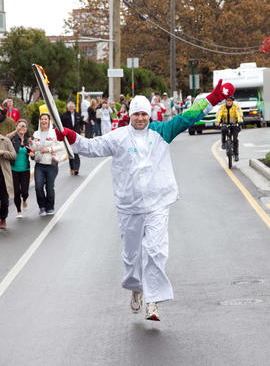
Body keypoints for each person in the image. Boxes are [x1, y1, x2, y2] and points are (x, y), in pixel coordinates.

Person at [55, 79, 234, 321]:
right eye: (136, 114)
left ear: (149, 115)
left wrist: (213, 98)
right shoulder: (118, 137)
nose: (140, 118)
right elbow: (90, 147)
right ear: (130, 115)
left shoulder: (161, 132)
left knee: (156, 252)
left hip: (158, 203)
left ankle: (153, 302)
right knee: (131, 257)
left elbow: (187, 118)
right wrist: (70, 136)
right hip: (129, 207)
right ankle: (137, 288)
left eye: (144, 114)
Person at [31, 113, 65, 216]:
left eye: (45, 119)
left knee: (49, 188)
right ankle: (42, 207)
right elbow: (35, 148)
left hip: (51, 164)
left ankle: (50, 207)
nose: (43, 121)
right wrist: (32, 146)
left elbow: (61, 146)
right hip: (39, 164)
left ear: (49, 121)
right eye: (42, 119)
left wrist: (49, 149)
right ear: (40, 121)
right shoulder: (36, 133)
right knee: (38, 187)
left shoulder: (55, 133)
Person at [7, 119, 34, 218]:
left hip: (25, 170)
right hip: (14, 169)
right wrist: (16, 130)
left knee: (25, 192)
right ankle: (19, 210)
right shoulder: (12, 139)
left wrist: (32, 155)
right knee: (16, 192)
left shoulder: (28, 141)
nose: (22, 128)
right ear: (17, 127)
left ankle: (25, 200)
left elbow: (33, 155)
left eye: (24, 126)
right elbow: (5, 138)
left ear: (26, 129)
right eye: (20, 126)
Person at [216, 95, 243, 161]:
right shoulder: (222, 107)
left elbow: (239, 114)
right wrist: (217, 121)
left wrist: (240, 121)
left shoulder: (236, 107)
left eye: (230, 101)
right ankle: (223, 142)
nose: (229, 102)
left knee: (235, 140)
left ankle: (236, 155)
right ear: (226, 101)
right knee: (223, 129)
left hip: (234, 124)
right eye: (227, 100)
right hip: (225, 123)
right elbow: (218, 114)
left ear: (232, 101)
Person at [61, 101, 83, 175]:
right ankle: (72, 168)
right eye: (70, 106)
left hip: (76, 136)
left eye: (72, 106)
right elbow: (61, 126)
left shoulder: (78, 115)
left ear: (74, 107)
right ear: (68, 107)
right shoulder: (64, 115)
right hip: (68, 136)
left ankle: (76, 168)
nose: (71, 108)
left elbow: (81, 123)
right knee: (71, 152)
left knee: (76, 151)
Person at [0, 132, 17, 229]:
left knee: (4, 200)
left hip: (3, 175)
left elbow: (14, 155)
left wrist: (3, 153)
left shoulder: (5, 140)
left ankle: (3, 219)